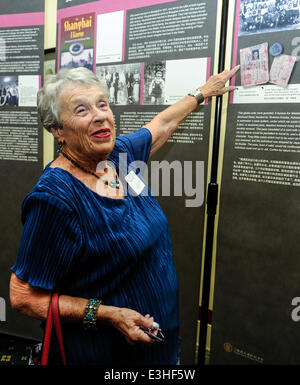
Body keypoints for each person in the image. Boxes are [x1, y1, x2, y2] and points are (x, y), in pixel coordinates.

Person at [9, 65, 239, 365]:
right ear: (57, 130)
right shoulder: (55, 199)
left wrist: (203, 92)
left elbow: (162, 124)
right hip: (104, 352)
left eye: (102, 104)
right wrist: (109, 315)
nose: (100, 115)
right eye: (82, 110)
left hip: (157, 342)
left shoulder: (120, 154)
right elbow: (23, 298)